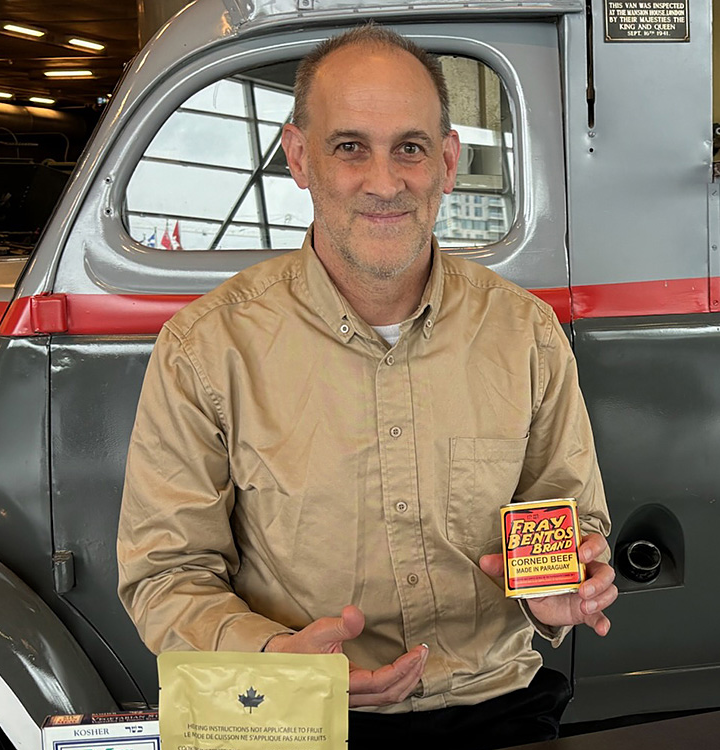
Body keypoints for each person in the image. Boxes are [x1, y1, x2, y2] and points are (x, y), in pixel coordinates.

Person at [117, 24, 615, 749]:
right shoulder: (206, 348)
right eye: (350, 147)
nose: (385, 182)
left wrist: (560, 587)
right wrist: (273, 659)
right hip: (295, 715)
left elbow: (567, 518)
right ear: (299, 158)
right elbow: (166, 574)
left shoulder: (525, 335)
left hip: (496, 703)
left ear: (446, 161)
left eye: (409, 148)